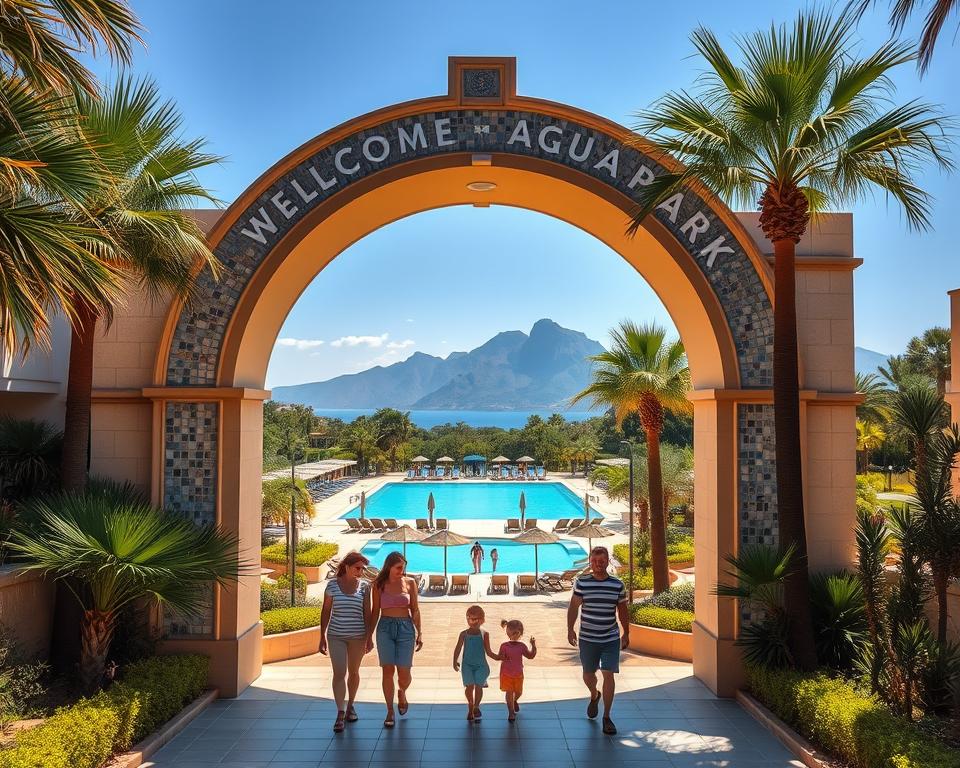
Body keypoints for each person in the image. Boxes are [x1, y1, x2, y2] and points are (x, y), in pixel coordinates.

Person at [567, 545, 629, 735]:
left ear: (607, 561)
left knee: (608, 673)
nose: (597, 565)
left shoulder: (617, 585)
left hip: (610, 637)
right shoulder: (582, 582)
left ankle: (607, 717)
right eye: (594, 561)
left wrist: (626, 632)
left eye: (601, 561)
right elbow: (574, 606)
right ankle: (594, 694)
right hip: (587, 638)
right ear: (590, 562)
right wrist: (570, 629)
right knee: (588, 675)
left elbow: (623, 610)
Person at [319, 551, 373, 732]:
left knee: (354, 672)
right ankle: (340, 712)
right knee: (339, 672)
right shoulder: (332, 586)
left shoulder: (365, 587)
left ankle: (351, 705)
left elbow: (367, 613)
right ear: (347, 567)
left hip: (358, 636)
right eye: (357, 568)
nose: (360, 571)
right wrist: (322, 636)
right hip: (336, 635)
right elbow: (326, 611)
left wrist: (369, 637)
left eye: (362, 568)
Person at [368, 552, 422, 727]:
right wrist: (368, 636)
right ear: (389, 567)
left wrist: (420, 632)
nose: (402, 571)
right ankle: (390, 711)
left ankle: (402, 691)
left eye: (404, 567)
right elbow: (375, 611)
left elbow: (415, 609)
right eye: (399, 568)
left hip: (406, 628)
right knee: (387, 670)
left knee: (404, 673)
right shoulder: (379, 584)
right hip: (384, 628)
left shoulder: (410, 583)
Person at [451, 605, 498, 721]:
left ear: (482, 620)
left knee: (478, 686)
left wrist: (500, 657)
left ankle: (476, 705)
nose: (474, 622)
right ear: (467, 619)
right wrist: (454, 660)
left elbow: (489, 651)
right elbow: (457, 648)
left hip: (481, 665)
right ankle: (470, 704)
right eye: (471, 619)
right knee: (469, 686)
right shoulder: (464, 634)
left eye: (477, 619)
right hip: (467, 665)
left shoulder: (484, 634)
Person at [498, 618, 536, 722]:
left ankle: (514, 700)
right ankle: (511, 712)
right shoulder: (504, 646)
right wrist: (502, 657)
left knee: (518, 692)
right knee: (509, 692)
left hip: (518, 674)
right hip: (506, 674)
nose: (515, 635)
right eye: (513, 633)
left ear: (521, 634)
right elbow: (500, 656)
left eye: (517, 633)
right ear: (508, 633)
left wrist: (533, 645)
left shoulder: (522, 646)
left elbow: (530, 656)